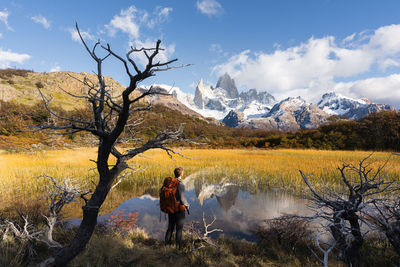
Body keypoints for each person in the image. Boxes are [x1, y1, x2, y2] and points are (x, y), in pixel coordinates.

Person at [165, 167, 190, 249]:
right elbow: (182, 199)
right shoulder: (180, 184)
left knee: (170, 227)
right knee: (179, 229)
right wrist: (187, 205)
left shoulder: (170, 183)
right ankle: (179, 248)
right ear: (181, 174)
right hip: (179, 210)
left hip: (170, 208)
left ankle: (166, 245)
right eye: (183, 172)